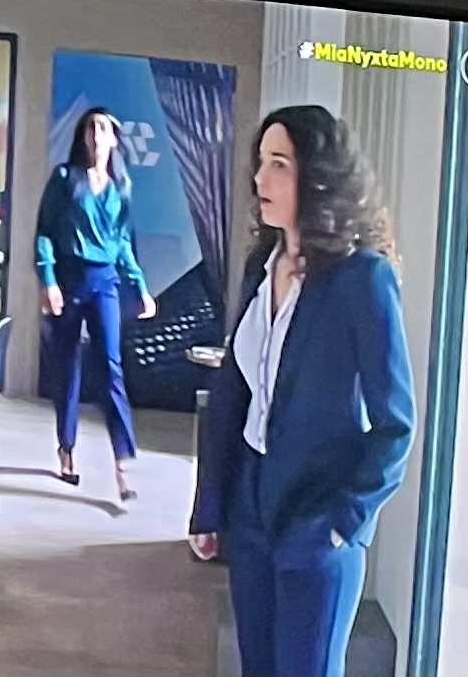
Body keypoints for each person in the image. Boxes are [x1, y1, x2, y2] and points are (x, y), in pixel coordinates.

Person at [188, 105, 416, 677]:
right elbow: (234, 393)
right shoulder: (259, 266)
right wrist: (211, 505)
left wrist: (342, 523)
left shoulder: (363, 278)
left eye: (279, 165)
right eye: (261, 162)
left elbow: (396, 424)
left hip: (319, 523)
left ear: (317, 177)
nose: (260, 179)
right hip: (251, 513)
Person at [35, 107, 157, 506]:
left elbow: (122, 243)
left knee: (111, 365)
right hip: (70, 277)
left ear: (114, 138)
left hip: (105, 281)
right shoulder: (65, 178)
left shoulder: (121, 186)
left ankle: (123, 460)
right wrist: (48, 281)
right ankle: (66, 446)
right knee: (67, 366)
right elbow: (45, 232)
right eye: (89, 127)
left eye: (103, 127)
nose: (95, 133)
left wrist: (140, 287)